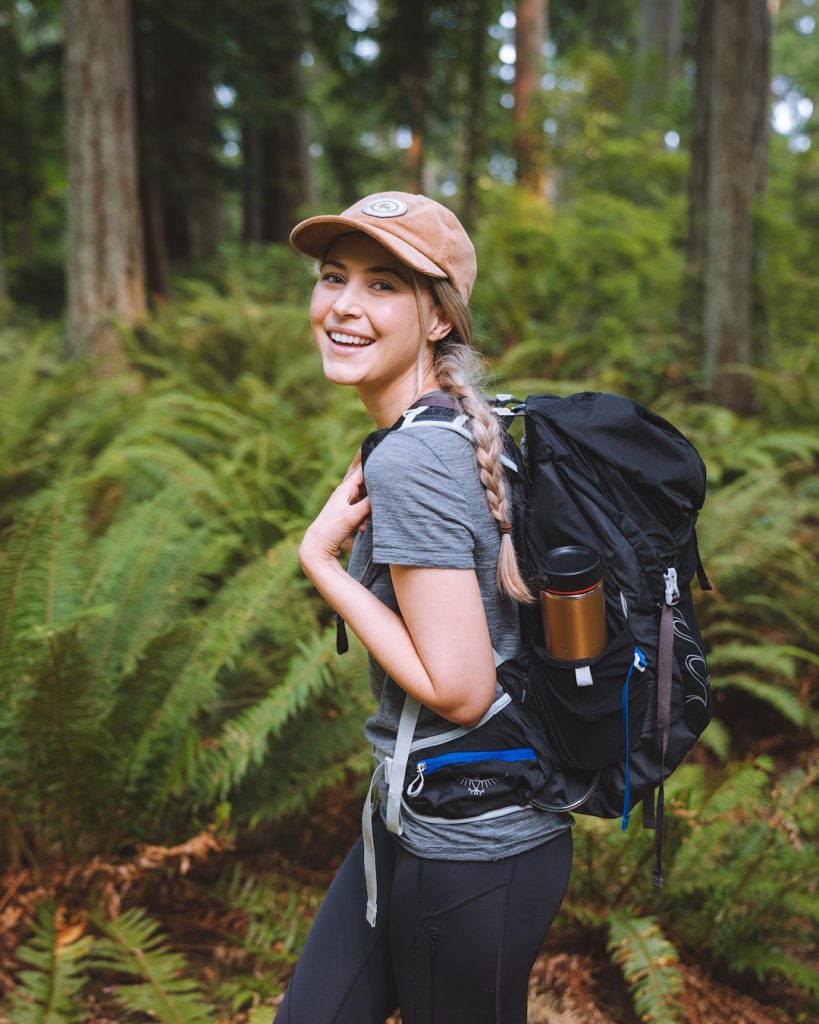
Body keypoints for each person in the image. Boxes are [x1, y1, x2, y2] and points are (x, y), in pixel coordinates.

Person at [277, 192, 572, 1024]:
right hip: (413, 812)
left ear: (437, 319)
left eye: (382, 286)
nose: (341, 305)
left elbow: (461, 687)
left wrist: (318, 561)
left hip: (477, 845)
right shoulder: (449, 431)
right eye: (333, 278)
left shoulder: (415, 458)